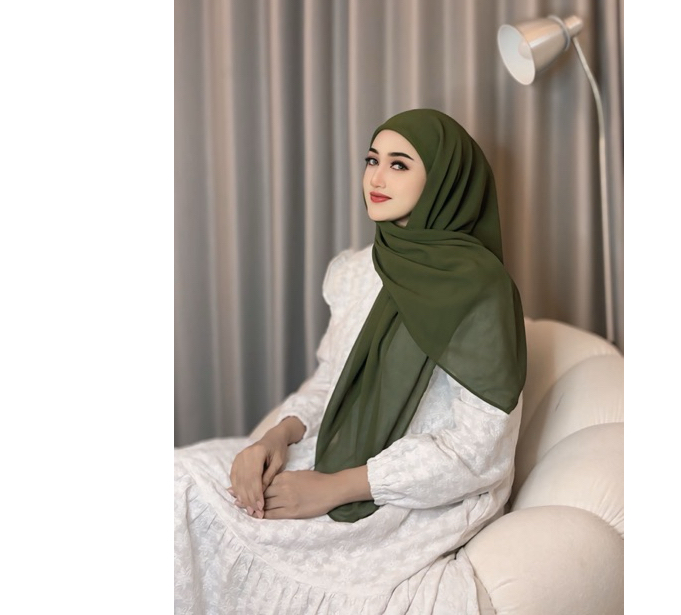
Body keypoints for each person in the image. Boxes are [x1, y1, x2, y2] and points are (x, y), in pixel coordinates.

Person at [174, 108, 527, 614]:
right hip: (331, 451)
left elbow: (479, 451)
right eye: (372, 160)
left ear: (444, 180)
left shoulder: (480, 292)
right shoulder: (361, 270)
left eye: (399, 164)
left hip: (411, 496)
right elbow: (330, 381)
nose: (376, 179)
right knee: (177, 479)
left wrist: (333, 489)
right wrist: (274, 437)